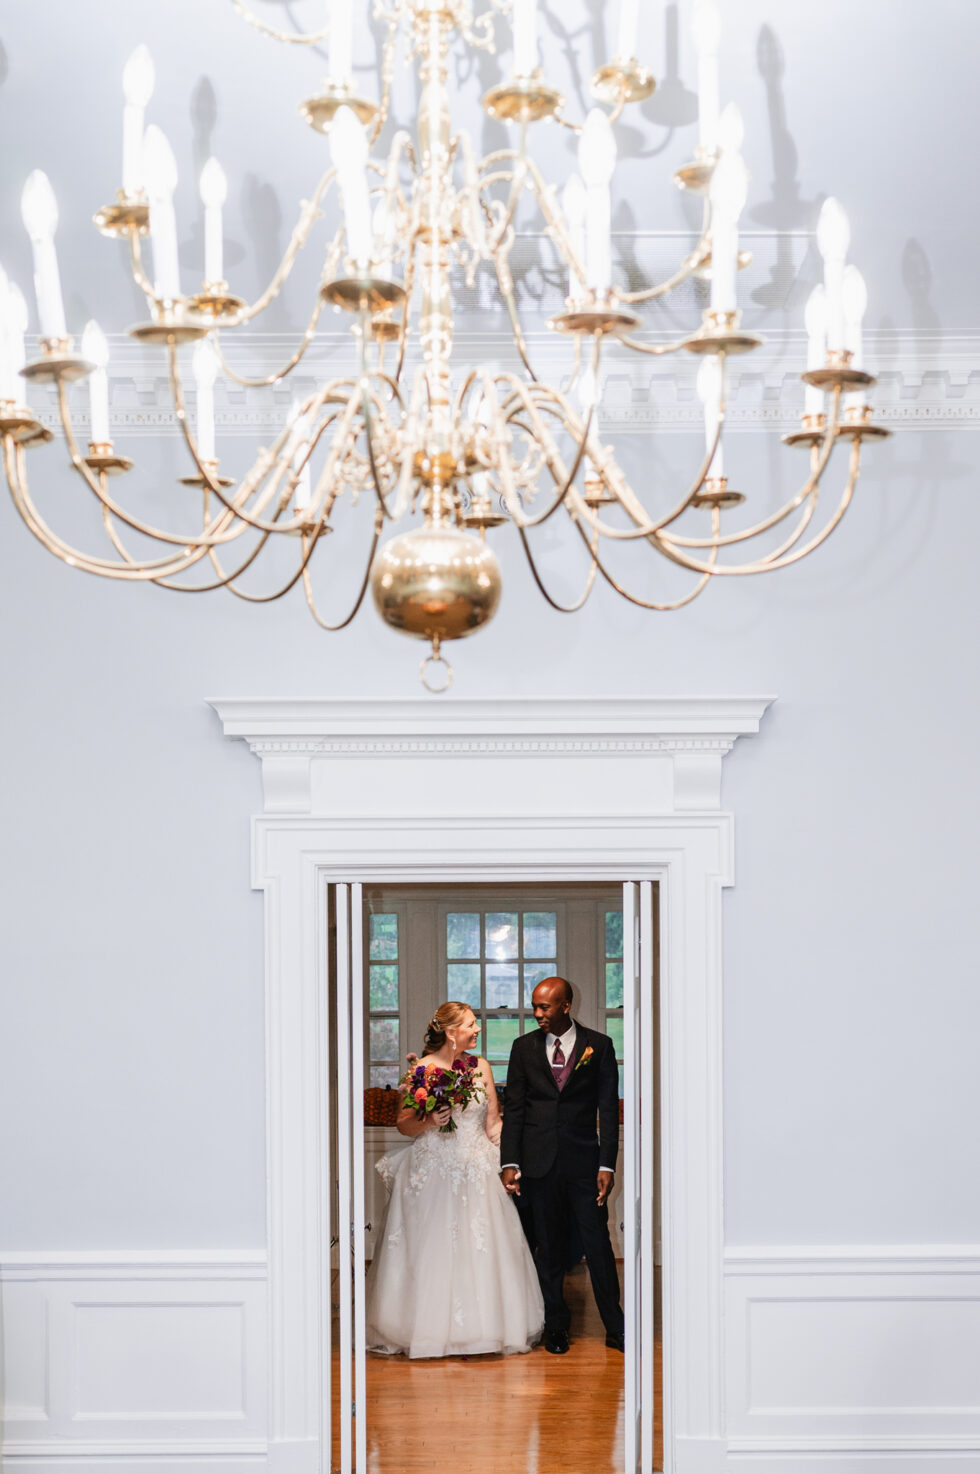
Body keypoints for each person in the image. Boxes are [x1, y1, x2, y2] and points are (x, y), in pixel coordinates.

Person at [365, 1001, 544, 1359]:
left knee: (481, 1248)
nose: (478, 1030)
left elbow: (493, 1124)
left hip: (477, 1167)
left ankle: (485, 1329)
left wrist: (512, 1159)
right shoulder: (422, 1070)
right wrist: (431, 1119)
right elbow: (404, 1125)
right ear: (451, 1032)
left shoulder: (482, 1068)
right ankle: (428, 1329)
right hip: (433, 1170)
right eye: (471, 1025)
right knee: (433, 1252)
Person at [499, 976, 625, 1355]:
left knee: (597, 1245)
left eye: (544, 1007)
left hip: (584, 1163)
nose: (537, 1014)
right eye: (535, 1006)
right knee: (549, 1248)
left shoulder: (598, 1046)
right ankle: (556, 1325)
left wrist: (607, 1165)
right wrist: (510, 1161)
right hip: (539, 1164)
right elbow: (515, 1109)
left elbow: (607, 1110)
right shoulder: (523, 1049)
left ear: (566, 1006)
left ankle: (616, 1326)